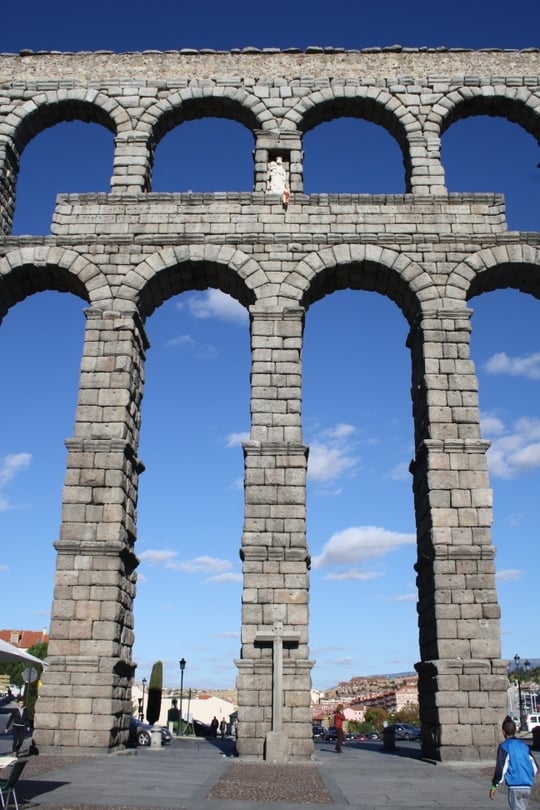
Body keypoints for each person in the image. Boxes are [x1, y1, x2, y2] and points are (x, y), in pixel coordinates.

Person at [489, 716, 538, 809]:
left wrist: (494, 785)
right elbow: (535, 767)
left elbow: (501, 768)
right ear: (515, 730)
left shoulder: (504, 746)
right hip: (527, 787)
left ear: (503, 732)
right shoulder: (524, 746)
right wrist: (526, 775)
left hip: (515, 786)